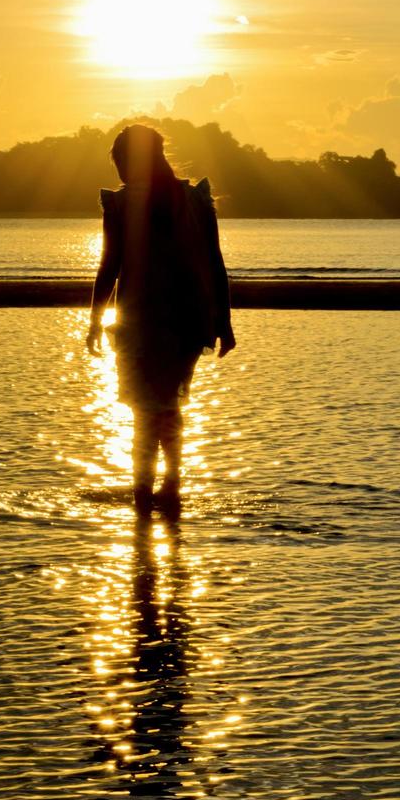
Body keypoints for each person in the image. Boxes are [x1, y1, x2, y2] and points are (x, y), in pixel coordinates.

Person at [85, 125, 235, 516]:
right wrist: (224, 322)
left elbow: (109, 268)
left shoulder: (120, 206)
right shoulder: (196, 199)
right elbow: (216, 265)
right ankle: (171, 486)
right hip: (189, 322)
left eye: (119, 160)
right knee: (169, 405)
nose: (118, 169)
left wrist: (94, 321)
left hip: (140, 323)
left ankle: (142, 494)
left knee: (143, 411)